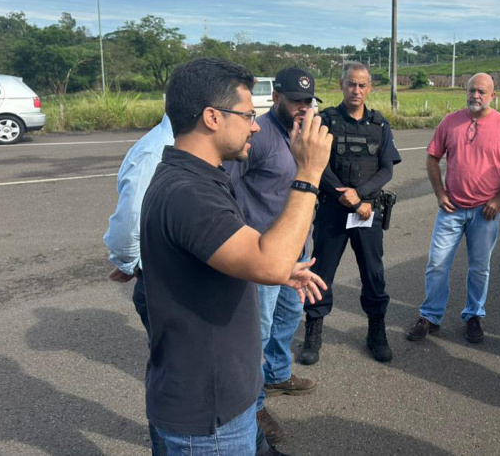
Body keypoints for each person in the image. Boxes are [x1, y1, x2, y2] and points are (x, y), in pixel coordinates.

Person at [140, 57, 330, 456]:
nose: (255, 126)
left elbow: (227, 254)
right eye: (247, 116)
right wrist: (309, 173)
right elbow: (268, 261)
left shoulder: (196, 177)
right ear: (212, 117)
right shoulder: (189, 192)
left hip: (214, 399)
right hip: (209, 418)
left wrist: (274, 269)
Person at [225, 67, 322, 447]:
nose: (303, 107)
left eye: (308, 100)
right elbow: (228, 189)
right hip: (263, 256)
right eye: (296, 100)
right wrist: (243, 245)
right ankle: (254, 407)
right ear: (277, 97)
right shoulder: (258, 135)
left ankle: (278, 374)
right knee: (258, 331)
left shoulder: (304, 136)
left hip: (296, 253)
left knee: (287, 318)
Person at [407, 72, 500, 344]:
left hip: (485, 212)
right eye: (472, 90)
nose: (475, 95)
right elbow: (432, 157)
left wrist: (499, 200)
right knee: (437, 264)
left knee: (479, 267)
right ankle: (430, 316)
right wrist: (440, 193)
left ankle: (474, 315)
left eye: (482, 91)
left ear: (493, 96)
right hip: (451, 209)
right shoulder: (450, 122)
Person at [299, 62, 402, 365]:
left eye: (362, 85)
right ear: (341, 85)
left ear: (369, 88)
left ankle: (376, 332)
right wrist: (348, 198)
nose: (356, 90)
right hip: (333, 210)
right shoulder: (325, 121)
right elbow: (317, 166)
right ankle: (313, 330)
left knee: (373, 274)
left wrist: (361, 194)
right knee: (321, 273)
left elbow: (386, 169)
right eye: (351, 84)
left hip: (368, 212)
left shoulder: (380, 125)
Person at [103, 113, 173, 456]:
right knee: (171, 377)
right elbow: (128, 225)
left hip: (174, 280)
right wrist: (131, 263)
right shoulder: (157, 151)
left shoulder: (174, 145)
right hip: (162, 282)